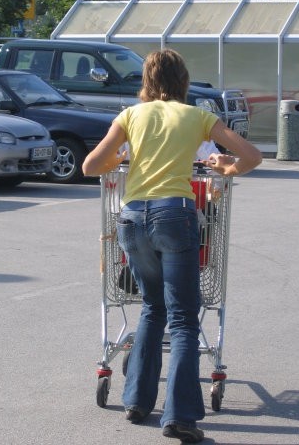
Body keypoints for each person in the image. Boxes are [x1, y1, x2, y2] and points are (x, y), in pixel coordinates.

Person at [82, 49, 262, 443]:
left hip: (132, 219)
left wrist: (121, 157)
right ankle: (179, 417)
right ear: (183, 81)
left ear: (146, 82)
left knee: (151, 307)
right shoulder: (198, 116)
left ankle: (137, 402)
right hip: (174, 215)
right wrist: (226, 167)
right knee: (182, 318)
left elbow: (91, 166)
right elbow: (252, 156)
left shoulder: (131, 115)